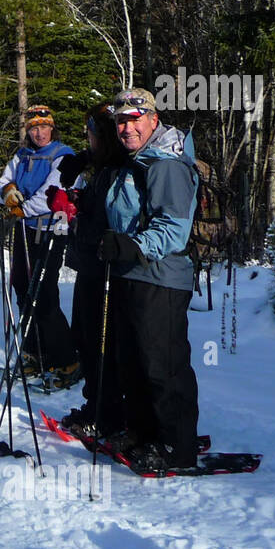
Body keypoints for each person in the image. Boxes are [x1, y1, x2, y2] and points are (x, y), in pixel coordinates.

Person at [98, 88, 202, 471]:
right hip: (134, 274)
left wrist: (131, 246)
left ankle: (176, 444)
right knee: (133, 361)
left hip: (162, 277)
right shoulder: (134, 160)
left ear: (152, 119)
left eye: (134, 120)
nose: (127, 128)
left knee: (164, 365)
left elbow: (174, 227)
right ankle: (143, 430)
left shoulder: (166, 163)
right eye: (121, 121)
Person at [52, 101, 127, 439]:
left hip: (105, 269)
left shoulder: (117, 169)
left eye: (91, 134)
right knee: (84, 336)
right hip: (89, 264)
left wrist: (77, 207)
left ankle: (106, 413)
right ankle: (95, 404)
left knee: (101, 343)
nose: (88, 140)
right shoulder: (101, 166)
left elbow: (109, 220)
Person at [0, 105, 80, 388]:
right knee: (21, 287)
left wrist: (23, 208)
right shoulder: (23, 155)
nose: (39, 132)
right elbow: (2, 182)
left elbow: (54, 192)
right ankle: (34, 352)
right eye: (33, 128)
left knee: (43, 293)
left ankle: (67, 358)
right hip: (25, 230)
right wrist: (6, 193)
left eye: (43, 127)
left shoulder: (63, 154)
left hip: (51, 229)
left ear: (52, 128)